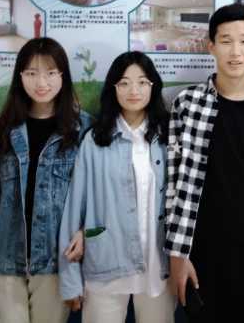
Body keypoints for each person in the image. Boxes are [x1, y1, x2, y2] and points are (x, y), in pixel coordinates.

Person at [165, 3, 244, 323]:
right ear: (211, 46)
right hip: (201, 250)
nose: (235, 52)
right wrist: (178, 254)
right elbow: (173, 184)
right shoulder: (187, 104)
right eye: (226, 41)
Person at [0, 37, 92, 323]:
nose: (41, 82)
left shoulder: (83, 131)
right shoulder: (1, 133)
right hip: (3, 264)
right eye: (32, 73)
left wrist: (86, 232)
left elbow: (99, 198)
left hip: (57, 265)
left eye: (50, 73)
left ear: (63, 76)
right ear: (20, 77)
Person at [59, 51, 174, 323]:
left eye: (142, 82)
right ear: (113, 88)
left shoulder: (168, 137)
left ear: (153, 86)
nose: (134, 90)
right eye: (124, 83)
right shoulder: (95, 140)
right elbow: (75, 208)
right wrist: (70, 278)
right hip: (106, 264)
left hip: (158, 265)